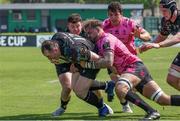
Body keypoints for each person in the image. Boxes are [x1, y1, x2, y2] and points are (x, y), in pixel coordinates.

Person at [82, 19, 180, 120]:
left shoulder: (106, 40)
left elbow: (108, 62)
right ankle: (152, 111)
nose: (88, 35)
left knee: (120, 88)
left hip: (134, 67)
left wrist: (87, 65)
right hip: (133, 70)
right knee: (163, 100)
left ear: (98, 29)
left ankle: (152, 112)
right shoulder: (100, 42)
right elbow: (112, 66)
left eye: (90, 32)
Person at [51, 13, 114, 117]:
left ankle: (101, 104)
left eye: (78, 26)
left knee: (84, 85)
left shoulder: (88, 35)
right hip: (65, 61)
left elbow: (90, 54)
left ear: (82, 25)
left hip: (82, 60)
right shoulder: (63, 37)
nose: (76, 29)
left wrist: (76, 64)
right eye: (72, 26)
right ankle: (62, 107)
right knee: (67, 87)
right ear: (68, 26)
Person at [102, 1, 152, 113]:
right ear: (108, 14)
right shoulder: (104, 25)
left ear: (121, 14)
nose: (113, 18)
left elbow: (148, 36)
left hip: (130, 60)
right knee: (118, 84)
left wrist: (140, 36)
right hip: (113, 61)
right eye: (110, 15)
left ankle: (131, 98)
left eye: (116, 15)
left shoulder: (130, 23)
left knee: (131, 88)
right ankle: (124, 104)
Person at [140, 0, 180, 91]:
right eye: (161, 11)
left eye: (165, 11)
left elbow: (178, 38)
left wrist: (159, 45)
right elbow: (162, 36)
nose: (163, 13)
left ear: (173, 9)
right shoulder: (166, 21)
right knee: (171, 80)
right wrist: (150, 45)